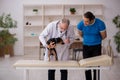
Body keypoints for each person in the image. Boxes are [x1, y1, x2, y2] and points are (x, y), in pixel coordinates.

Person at [77, 11, 107, 80]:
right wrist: (88, 39)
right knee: (87, 65)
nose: (84, 23)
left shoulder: (100, 23)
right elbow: (81, 34)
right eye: (84, 20)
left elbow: (104, 36)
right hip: (86, 46)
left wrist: (95, 40)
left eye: (86, 21)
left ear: (92, 19)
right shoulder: (81, 24)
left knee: (96, 65)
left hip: (96, 46)